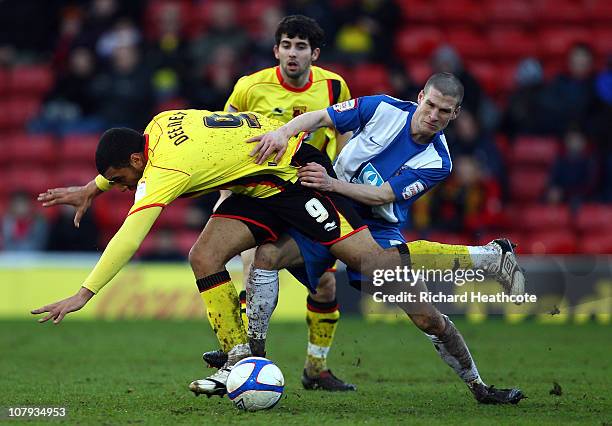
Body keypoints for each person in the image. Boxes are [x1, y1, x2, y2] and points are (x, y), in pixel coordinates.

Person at [31, 108, 418, 398]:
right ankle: (237, 359)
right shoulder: (159, 123)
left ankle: (472, 260)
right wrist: (93, 187)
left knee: (372, 266)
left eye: (119, 180)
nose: (120, 188)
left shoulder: (166, 170)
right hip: (259, 187)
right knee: (204, 256)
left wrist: (84, 294)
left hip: (297, 175)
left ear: (136, 161)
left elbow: (128, 238)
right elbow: (132, 157)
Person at [233, 72, 525, 404]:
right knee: (266, 257)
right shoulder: (382, 107)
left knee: (428, 317)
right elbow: (322, 116)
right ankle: (252, 356)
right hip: (329, 209)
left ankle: (479, 387)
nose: (433, 115)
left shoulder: (438, 161)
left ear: (455, 114)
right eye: (430, 105)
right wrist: (284, 132)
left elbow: (383, 195)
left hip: (376, 228)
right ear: (420, 97)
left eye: (444, 111)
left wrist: (331, 183)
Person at [210, 14, 354, 391]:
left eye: (301, 47)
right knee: (252, 263)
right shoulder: (248, 87)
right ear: (275, 50)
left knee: (324, 285)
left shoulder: (333, 87)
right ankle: (241, 357)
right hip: (258, 194)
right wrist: (224, 195)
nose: (293, 54)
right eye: (286, 45)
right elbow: (225, 141)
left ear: (315, 54)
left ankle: (316, 369)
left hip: (308, 195)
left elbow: (345, 133)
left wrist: (338, 183)